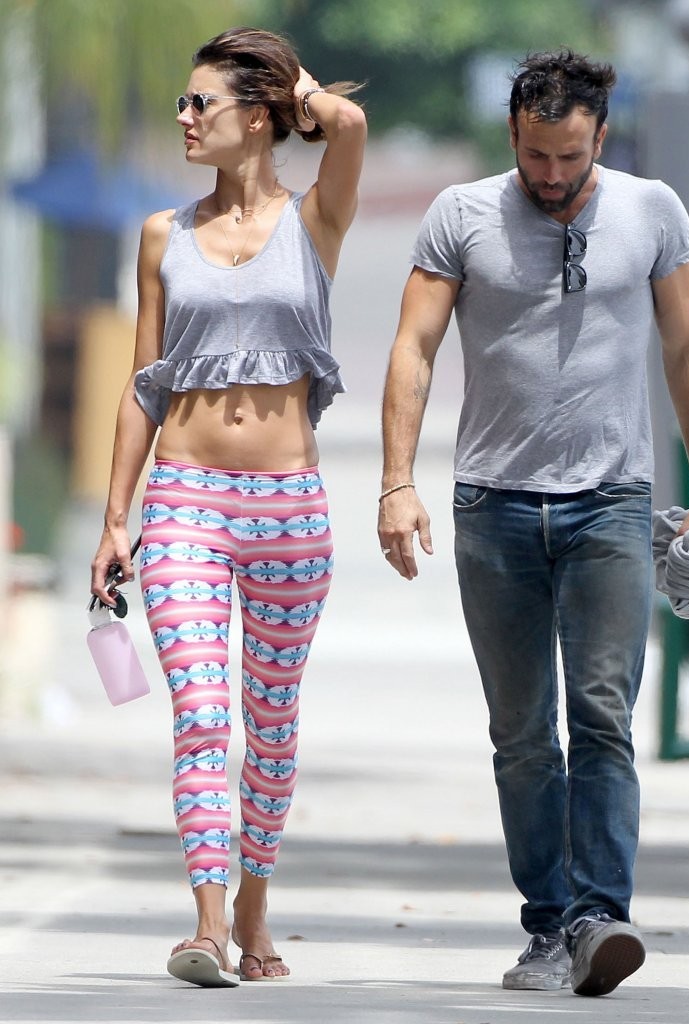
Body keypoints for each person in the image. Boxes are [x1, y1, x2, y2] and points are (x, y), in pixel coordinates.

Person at [378, 49, 689, 998]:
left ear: (600, 137)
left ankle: (598, 918)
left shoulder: (652, 211)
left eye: (570, 157)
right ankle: (546, 926)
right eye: (536, 155)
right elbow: (413, 346)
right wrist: (395, 482)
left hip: (611, 503)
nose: (551, 175)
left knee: (602, 718)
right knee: (522, 734)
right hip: (491, 504)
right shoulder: (460, 214)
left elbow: (687, 349)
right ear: (512, 134)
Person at [90, 26, 366, 987]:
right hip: (185, 500)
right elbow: (144, 384)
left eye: (200, 101)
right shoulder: (162, 235)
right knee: (204, 712)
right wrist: (116, 518)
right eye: (182, 100)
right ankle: (207, 925)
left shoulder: (316, 219)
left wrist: (295, 85)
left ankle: (254, 901)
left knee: (270, 723)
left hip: (289, 506)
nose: (184, 116)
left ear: (256, 117)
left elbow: (348, 126)